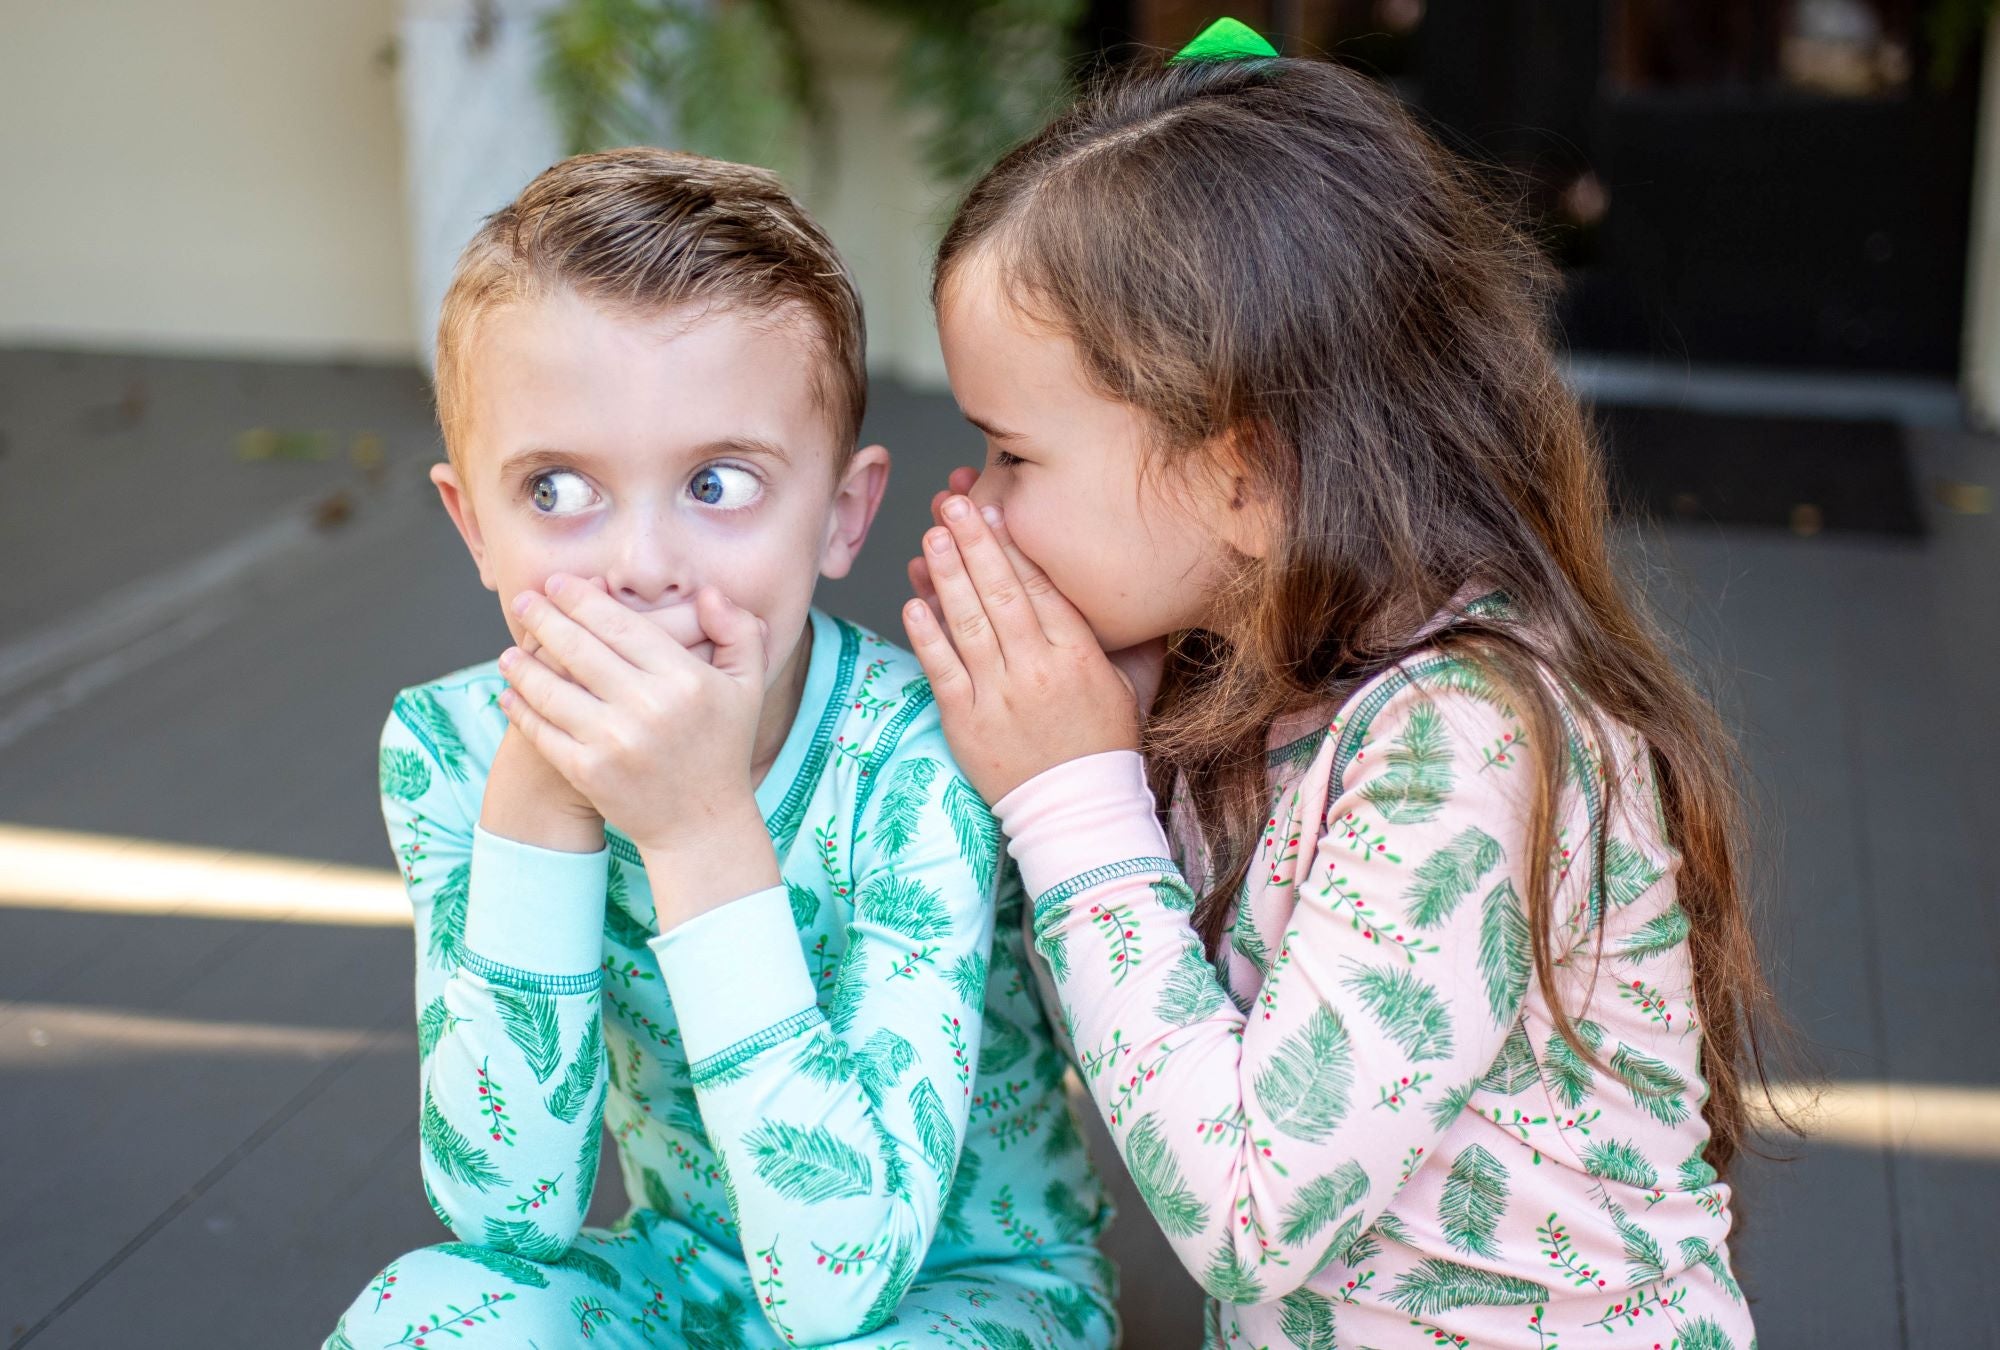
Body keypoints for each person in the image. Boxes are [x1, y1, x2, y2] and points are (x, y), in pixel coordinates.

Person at [902, 19, 1776, 1348]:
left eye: (1014, 454)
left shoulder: (1471, 741)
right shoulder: (1229, 664)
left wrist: (1072, 798)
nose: (976, 505)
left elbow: (1253, 1211)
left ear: (1242, 477)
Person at [324, 147, 1114, 1350]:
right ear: (471, 524)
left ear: (841, 515)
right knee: (420, 1314)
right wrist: (541, 796)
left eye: (716, 482)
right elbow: (508, 1211)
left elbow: (840, 1280)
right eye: (554, 491)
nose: (640, 565)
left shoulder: (915, 754)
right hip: (686, 1277)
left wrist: (699, 830)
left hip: (960, 1296)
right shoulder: (448, 747)